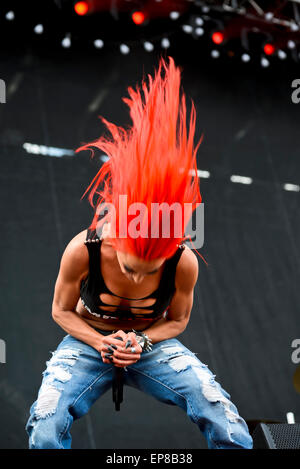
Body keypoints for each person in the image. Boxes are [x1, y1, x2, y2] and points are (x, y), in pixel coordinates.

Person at [25, 56, 253, 449]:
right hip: (87, 341)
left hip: (151, 345)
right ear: (117, 239)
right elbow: (60, 311)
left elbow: (177, 320)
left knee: (221, 414)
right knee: (45, 423)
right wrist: (101, 343)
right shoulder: (85, 249)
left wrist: (143, 342)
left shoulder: (182, 262)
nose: (135, 278)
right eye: (131, 268)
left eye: (148, 270)